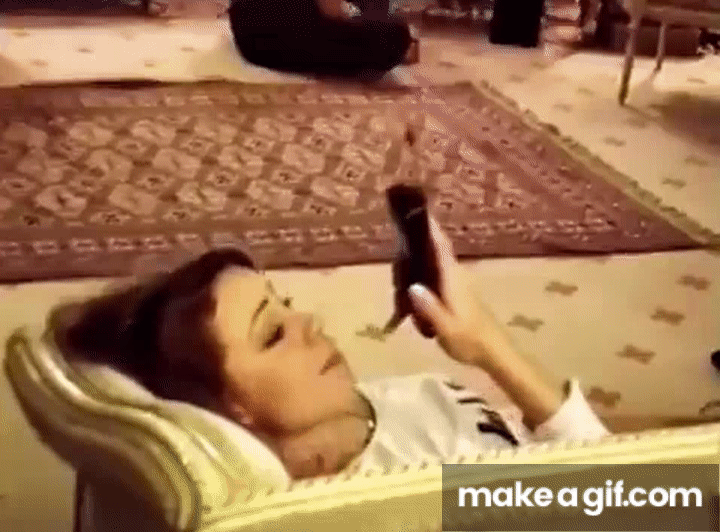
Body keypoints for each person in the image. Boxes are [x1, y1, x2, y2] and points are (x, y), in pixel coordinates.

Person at [48, 216, 609, 480]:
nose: (309, 323)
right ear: (230, 408)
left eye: (286, 305)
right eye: (273, 334)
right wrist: (490, 344)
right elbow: (622, 502)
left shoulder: (384, 402)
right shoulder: (398, 496)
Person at [227, 0, 413, 79]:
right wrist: (352, 14)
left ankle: (370, 24)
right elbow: (332, 11)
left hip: (246, 31)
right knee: (397, 36)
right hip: (273, 35)